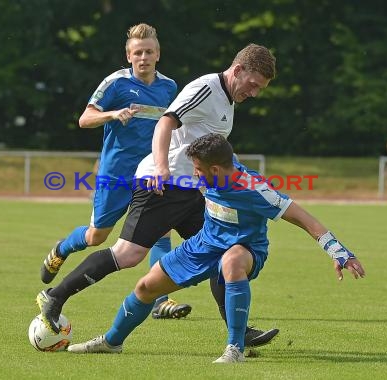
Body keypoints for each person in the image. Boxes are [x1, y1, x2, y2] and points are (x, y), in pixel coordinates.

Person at [36, 43, 280, 347]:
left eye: (260, 89)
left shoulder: (227, 100)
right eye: (253, 84)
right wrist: (161, 168)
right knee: (127, 255)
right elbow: (166, 122)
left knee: (222, 253)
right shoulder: (206, 88)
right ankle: (55, 297)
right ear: (239, 69)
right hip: (161, 185)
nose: (254, 92)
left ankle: (238, 331)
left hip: (191, 191)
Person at [65, 133, 366, 363]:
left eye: (199, 169)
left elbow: (305, 218)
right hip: (203, 244)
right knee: (145, 288)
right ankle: (112, 342)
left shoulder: (255, 190)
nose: (195, 174)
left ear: (219, 169)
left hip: (246, 249)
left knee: (231, 261)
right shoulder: (213, 171)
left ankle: (235, 347)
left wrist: (339, 252)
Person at [39, 23, 191, 318]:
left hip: (148, 174)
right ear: (128, 55)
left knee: (161, 231)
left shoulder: (169, 87)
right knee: (97, 236)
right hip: (115, 174)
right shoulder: (115, 84)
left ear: (158, 54)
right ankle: (61, 250)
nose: (143, 57)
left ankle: (162, 301)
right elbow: (85, 119)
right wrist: (112, 114)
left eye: (149, 51)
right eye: (138, 52)